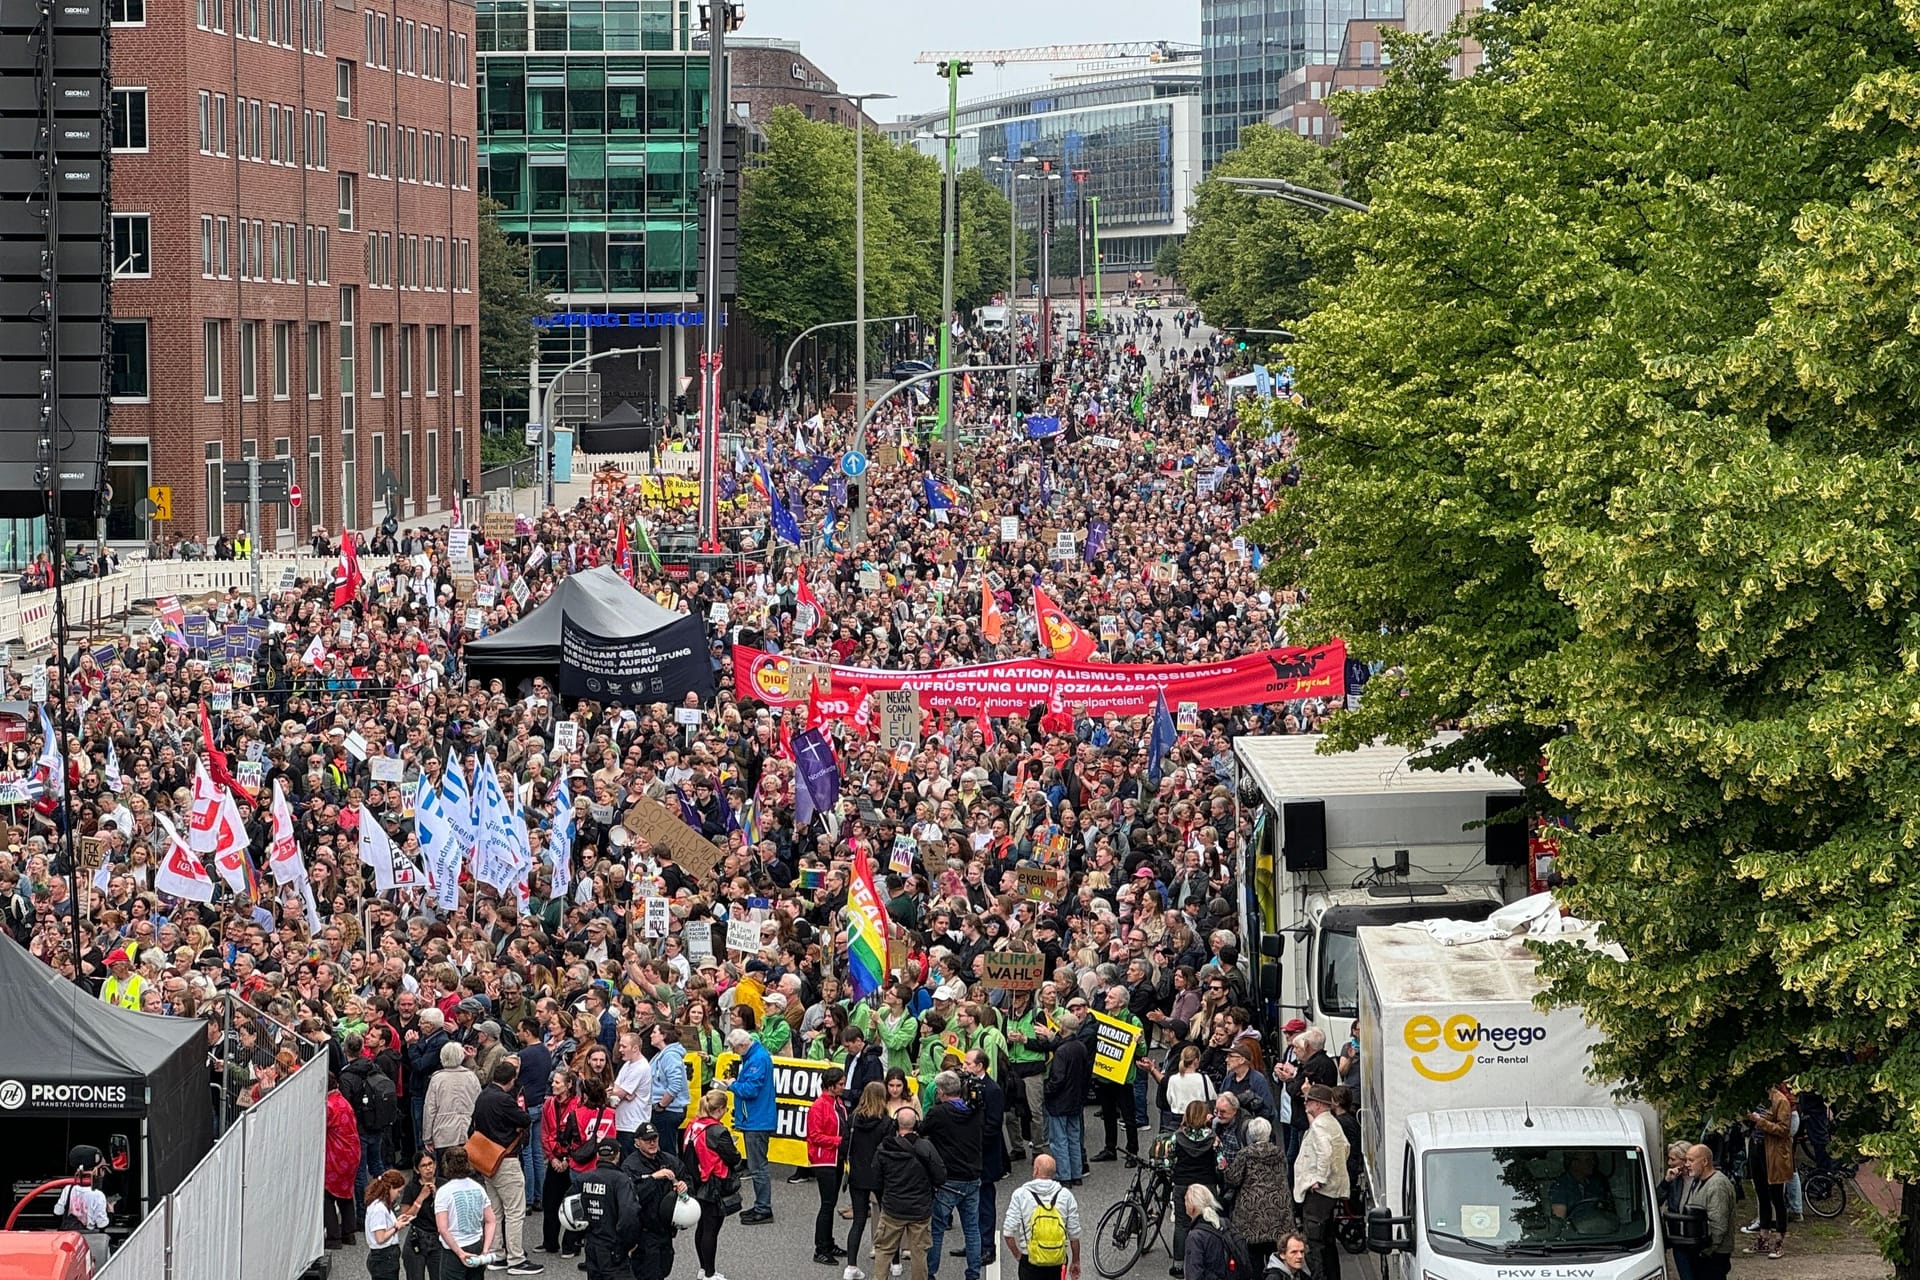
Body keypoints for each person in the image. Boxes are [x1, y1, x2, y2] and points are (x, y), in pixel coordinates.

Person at [470, 1057, 541, 1274]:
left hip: (486, 1160)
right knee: (514, 1211)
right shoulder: (504, 1099)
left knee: (496, 1210)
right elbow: (525, 1119)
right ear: (511, 1080)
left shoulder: (483, 1096)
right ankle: (516, 1259)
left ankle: (497, 1253)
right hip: (506, 1160)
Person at [924, 1070, 985, 1280]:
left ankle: (930, 1273)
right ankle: (973, 1274)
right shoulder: (975, 1110)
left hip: (948, 1179)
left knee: (937, 1229)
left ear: (940, 1092)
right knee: (972, 1229)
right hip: (972, 1176)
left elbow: (923, 1130)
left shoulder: (938, 1113)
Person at [873, 1108, 945, 1280]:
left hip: (892, 1208)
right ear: (917, 1125)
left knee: (884, 1250)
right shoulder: (926, 1147)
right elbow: (940, 1176)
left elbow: (876, 1179)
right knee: (919, 1253)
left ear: (895, 1124)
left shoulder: (884, 1147)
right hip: (919, 1209)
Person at [684, 1089, 743, 1280]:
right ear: (719, 1109)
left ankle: (703, 1268)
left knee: (702, 1227)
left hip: (697, 1180)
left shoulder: (694, 1125)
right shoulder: (718, 1131)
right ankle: (710, 1273)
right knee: (711, 1229)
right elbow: (733, 1157)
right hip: (714, 1183)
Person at [1292, 1084, 1349, 1280]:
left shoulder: (1319, 1125)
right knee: (1327, 1241)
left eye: (1308, 1100)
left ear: (1317, 1104)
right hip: (1331, 1191)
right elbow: (1345, 1147)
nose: (1305, 1103)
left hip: (1320, 1194)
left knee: (1313, 1242)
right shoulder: (1332, 1122)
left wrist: (1319, 1178)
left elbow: (1324, 1151)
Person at [618, 1121, 686, 1280]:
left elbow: (686, 1178)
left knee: (664, 1268)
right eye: (647, 1139)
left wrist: (684, 1186)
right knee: (648, 1273)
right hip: (644, 1233)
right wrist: (653, 1178)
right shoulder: (630, 1166)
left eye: (654, 1138)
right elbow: (631, 1197)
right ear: (637, 1142)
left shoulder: (670, 1160)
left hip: (666, 1230)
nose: (652, 1142)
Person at [724, 1026, 777, 1223]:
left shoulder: (757, 1060)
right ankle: (760, 1205)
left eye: (735, 1049)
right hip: (755, 1118)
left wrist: (732, 1085)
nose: (733, 1053)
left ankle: (763, 1208)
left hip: (757, 1120)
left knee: (758, 1167)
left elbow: (750, 1090)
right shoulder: (754, 1056)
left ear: (743, 1045)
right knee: (758, 1166)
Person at [1224, 1117, 1293, 1265]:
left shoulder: (1245, 1154)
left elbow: (1233, 1179)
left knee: (1254, 1260)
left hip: (1251, 1214)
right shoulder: (1279, 1153)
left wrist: (1224, 1169)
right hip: (1277, 1212)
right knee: (1275, 1259)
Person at [1001, 1154, 1082, 1280]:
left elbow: (1008, 1233)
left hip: (1030, 1262)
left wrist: (1019, 1256)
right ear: (1054, 1173)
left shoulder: (1020, 1195)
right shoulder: (1066, 1195)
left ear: (1036, 1170)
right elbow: (1074, 1235)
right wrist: (1075, 1261)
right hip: (1057, 1261)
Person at [845, 1081, 895, 1280]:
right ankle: (895, 1262)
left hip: (857, 1174)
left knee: (858, 1220)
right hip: (881, 1175)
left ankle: (851, 1266)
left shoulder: (854, 1119)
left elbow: (843, 1148)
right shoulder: (887, 1122)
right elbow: (890, 1150)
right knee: (889, 1218)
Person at [1168, 1099, 1220, 1277]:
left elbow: (1169, 1160)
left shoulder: (1177, 1136)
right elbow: (1221, 1164)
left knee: (1182, 1224)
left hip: (1183, 1184)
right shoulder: (1213, 1138)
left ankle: (1178, 1265)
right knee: (1208, 1221)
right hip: (1206, 1185)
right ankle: (1209, 1259)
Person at [579, 1137, 642, 1280]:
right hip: (614, 1249)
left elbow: (568, 1210)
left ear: (597, 1156)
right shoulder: (621, 1180)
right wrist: (628, 1243)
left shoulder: (583, 1179)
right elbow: (629, 1214)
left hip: (592, 1246)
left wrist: (579, 1236)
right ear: (618, 1155)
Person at [433, 1147, 499, 1280]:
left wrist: (460, 1253)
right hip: (476, 1245)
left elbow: (442, 1229)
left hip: (453, 1250)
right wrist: (485, 1250)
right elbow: (491, 1221)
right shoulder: (478, 1188)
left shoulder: (444, 1192)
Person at [1040, 1012, 1089, 1186]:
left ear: (1062, 1028)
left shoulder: (1061, 1051)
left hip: (1060, 1101)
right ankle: (1076, 1174)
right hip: (1075, 1099)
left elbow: (1057, 1079)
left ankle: (1064, 1175)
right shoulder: (1081, 1047)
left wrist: (1046, 1091)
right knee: (1074, 1138)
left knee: (1059, 1140)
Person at [808, 1066, 849, 1265]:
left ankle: (828, 1243)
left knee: (830, 1204)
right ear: (831, 1086)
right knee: (826, 1205)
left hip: (836, 1159)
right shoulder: (818, 1106)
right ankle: (820, 1249)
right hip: (824, 1160)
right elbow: (814, 1136)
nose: (844, 1087)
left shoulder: (837, 1102)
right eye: (841, 1084)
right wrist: (839, 1141)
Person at [1750, 1082, 1794, 1260]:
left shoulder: (1780, 1100)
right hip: (1757, 1147)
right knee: (1761, 1193)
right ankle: (1763, 1236)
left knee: (1776, 1195)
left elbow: (1783, 1130)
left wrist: (1760, 1122)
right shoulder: (1756, 1098)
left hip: (1773, 1152)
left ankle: (1779, 1239)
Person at [1681, 1143, 1736, 1280]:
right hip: (1702, 1250)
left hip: (1714, 1254)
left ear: (1705, 1161)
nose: (1687, 1164)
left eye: (1691, 1160)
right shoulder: (1698, 1180)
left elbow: (1718, 1225)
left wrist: (1706, 1251)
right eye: (1686, 1160)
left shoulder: (1717, 1185)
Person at [423, 1042, 481, 1163]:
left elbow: (430, 1109)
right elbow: (480, 1103)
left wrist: (427, 1137)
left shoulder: (437, 1079)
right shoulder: (471, 1076)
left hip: (444, 1134)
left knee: (446, 1173)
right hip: (468, 1131)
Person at [326, 1073, 364, 1249]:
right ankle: (349, 1233)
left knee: (327, 1195)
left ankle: (333, 1237)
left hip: (337, 1154)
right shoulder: (342, 1101)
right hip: (352, 1152)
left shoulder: (329, 1106)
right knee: (345, 1193)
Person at [610, 1031, 655, 1159]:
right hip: (621, 1123)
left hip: (633, 1125)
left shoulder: (641, 1067)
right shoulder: (627, 1065)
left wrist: (619, 1092)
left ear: (635, 1048)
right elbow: (616, 1089)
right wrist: (618, 1092)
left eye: (624, 1047)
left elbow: (620, 1092)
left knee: (629, 1162)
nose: (620, 1050)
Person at [364, 1169, 414, 1280]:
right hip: (384, 1258)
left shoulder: (378, 1204)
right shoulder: (380, 1209)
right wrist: (397, 1227)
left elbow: (383, 1228)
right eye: (398, 1191)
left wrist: (397, 1221)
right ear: (390, 1187)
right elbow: (380, 1238)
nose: (398, 1195)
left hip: (383, 1257)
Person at [400, 1151, 442, 1280]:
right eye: (424, 1166)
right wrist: (421, 1198)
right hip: (417, 1237)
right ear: (417, 1169)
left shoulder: (444, 1184)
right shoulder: (411, 1188)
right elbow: (404, 1217)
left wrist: (437, 1197)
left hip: (438, 1238)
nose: (428, 1168)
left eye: (430, 1164)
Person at [1182, 1185, 1235, 1280]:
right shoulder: (1223, 1224)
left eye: (1186, 1200)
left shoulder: (1195, 1237)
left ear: (1192, 1205)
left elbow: (1194, 1274)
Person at [649, 1023, 691, 1140]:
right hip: (665, 1109)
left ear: (664, 1035)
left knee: (667, 1150)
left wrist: (661, 1105)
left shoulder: (670, 1056)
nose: (651, 1036)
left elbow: (675, 1085)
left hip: (669, 1110)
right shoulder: (660, 1055)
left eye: (654, 1032)